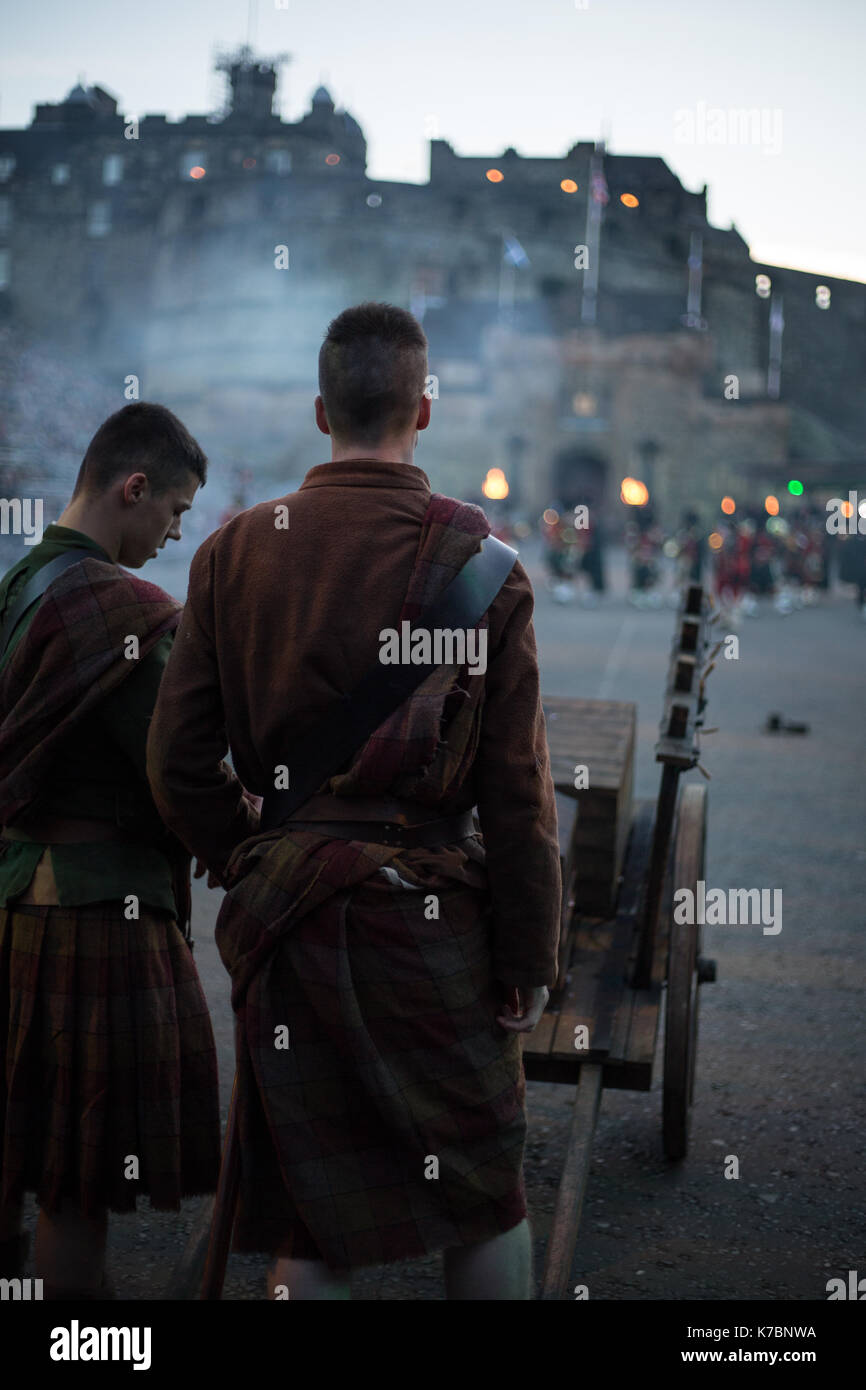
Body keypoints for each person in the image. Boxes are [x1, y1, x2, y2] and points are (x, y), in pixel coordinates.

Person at [146, 301, 562, 1301]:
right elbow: (516, 798)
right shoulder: (486, 566)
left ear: (317, 409)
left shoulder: (233, 551)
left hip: (291, 917)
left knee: (311, 1215)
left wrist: (241, 847)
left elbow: (176, 759)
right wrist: (526, 957)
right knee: (482, 1193)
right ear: (423, 410)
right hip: (432, 923)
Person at [0, 402, 221, 1298]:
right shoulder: (127, 610)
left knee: (18, 1160)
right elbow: (181, 767)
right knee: (75, 1187)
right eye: (173, 513)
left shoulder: (14, 585)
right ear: (134, 488)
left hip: (12, 899)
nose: (175, 534)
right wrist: (234, 828)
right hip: (94, 916)